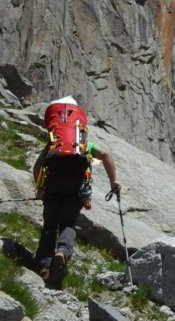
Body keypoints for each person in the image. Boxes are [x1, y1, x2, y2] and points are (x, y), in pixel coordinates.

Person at [32, 106, 121, 290]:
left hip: (53, 186)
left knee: (49, 226)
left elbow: (38, 165)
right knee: (67, 224)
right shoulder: (85, 147)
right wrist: (114, 182)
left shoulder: (54, 144)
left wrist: (40, 187)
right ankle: (62, 252)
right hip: (75, 190)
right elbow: (106, 156)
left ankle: (43, 265)